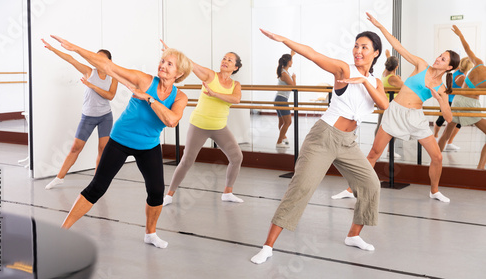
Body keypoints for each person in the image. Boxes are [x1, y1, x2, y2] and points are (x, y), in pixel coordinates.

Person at [251, 27, 389, 265]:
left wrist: (364, 82)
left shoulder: (375, 82)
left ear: (376, 53)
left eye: (364, 47)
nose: (357, 51)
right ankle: (267, 246)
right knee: (301, 188)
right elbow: (313, 55)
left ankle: (353, 236)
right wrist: (285, 40)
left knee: (371, 184)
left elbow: (384, 105)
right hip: (323, 138)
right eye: (356, 46)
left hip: (348, 142)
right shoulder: (344, 69)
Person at [49, 35, 192, 249]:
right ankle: (63, 231)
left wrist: (149, 98)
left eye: (169, 64)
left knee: (155, 191)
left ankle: (150, 234)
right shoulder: (144, 80)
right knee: (97, 187)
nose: (163, 65)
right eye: (162, 61)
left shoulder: (180, 97)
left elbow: (171, 120)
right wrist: (76, 48)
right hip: (120, 140)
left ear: (179, 73)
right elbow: (109, 66)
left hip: (149, 145)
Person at [364, 13, 459, 203]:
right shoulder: (421, 64)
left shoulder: (441, 88)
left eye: (443, 59)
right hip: (395, 112)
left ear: (449, 67)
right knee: (374, 153)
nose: (438, 59)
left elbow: (448, 118)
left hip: (415, 118)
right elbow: (398, 46)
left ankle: (434, 191)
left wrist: (439, 100)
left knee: (437, 157)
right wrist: (379, 26)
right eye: (440, 55)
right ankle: (352, 189)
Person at [162, 41, 244, 206]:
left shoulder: (236, 85)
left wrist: (215, 94)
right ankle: (169, 195)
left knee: (237, 157)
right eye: (224, 58)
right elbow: (191, 64)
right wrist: (173, 53)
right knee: (187, 161)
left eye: (229, 60)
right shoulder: (210, 75)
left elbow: (236, 99)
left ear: (235, 67)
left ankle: (228, 192)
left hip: (219, 127)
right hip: (199, 125)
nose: (225, 61)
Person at [42, 40, 118, 190]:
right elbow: (71, 59)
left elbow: (110, 96)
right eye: (95, 57)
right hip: (88, 117)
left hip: (105, 117)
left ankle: (97, 181)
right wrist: (52, 49)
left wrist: (92, 86)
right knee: (75, 148)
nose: (96, 60)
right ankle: (59, 178)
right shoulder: (89, 71)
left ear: (108, 61)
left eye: (100, 58)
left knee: (103, 149)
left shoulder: (113, 77)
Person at [331, 49, 404, 200]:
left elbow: (389, 64)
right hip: (392, 110)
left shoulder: (384, 73)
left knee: (376, 148)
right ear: (396, 67)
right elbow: (405, 88)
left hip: (390, 110)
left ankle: (352, 188)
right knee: (374, 152)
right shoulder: (393, 78)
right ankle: (352, 189)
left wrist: (388, 56)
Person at [438, 25, 486, 170]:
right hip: (470, 105)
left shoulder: (479, 64)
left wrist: (460, 35)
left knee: (446, 133)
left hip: (458, 101)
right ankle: (480, 168)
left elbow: (467, 48)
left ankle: (434, 161)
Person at [434, 57, 473, 151]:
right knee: (455, 122)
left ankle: (438, 138)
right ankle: (447, 142)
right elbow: (470, 89)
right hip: (452, 101)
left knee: (443, 119)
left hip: (449, 99)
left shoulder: (458, 71)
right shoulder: (462, 78)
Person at [274, 50, 296, 148]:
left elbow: (287, 60)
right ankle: (279, 142)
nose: (292, 62)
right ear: (288, 62)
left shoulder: (284, 70)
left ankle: (283, 137)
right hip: (282, 100)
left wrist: (291, 54)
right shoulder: (285, 74)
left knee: (282, 122)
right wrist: (294, 78)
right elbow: (293, 87)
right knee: (288, 122)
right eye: (291, 61)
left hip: (279, 99)